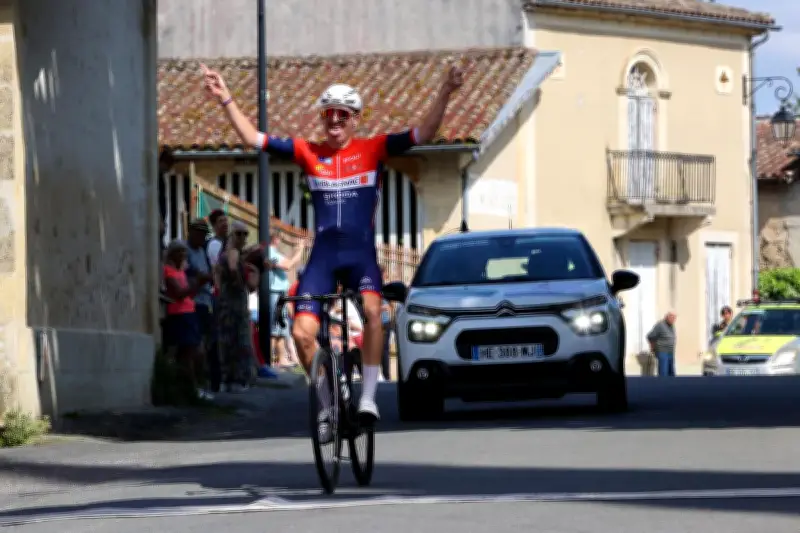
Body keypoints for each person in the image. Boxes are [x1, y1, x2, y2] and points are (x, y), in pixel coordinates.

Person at [202, 61, 463, 428]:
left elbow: (424, 132)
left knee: (374, 313)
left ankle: (369, 398)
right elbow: (253, 139)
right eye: (329, 116)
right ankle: (329, 401)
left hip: (360, 256)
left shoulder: (373, 150)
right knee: (299, 332)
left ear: (354, 119)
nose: (335, 122)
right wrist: (225, 98)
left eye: (342, 116)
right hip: (323, 258)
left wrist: (445, 92)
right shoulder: (308, 152)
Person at [162, 240, 214, 400]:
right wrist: (197, 283)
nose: (184, 255)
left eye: (184, 252)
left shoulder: (181, 272)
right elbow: (179, 293)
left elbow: (189, 293)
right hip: (179, 314)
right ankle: (191, 389)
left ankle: (194, 387)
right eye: (180, 252)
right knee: (187, 354)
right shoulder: (168, 271)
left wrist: (197, 285)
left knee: (196, 352)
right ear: (172, 254)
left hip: (189, 312)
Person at [216, 221, 257, 392]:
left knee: (228, 341)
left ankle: (228, 380)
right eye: (239, 234)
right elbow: (232, 269)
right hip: (233, 303)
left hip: (228, 302)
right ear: (232, 235)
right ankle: (237, 380)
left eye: (245, 234)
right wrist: (238, 282)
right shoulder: (232, 252)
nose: (243, 238)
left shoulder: (227, 253)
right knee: (238, 341)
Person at [185, 218, 218, 396]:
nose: (202, 238)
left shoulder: (202, 251)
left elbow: (207, 274)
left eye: (204, 235)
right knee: (195, 345)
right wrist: (202, 277)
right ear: (192, 232)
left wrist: (209, 277)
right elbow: (189, 273)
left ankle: (202, 384)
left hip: (205, 301)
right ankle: (195, 386)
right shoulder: (186, 250)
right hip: (193, 301)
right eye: (200, 234)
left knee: (205, 344)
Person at [267, 233, 305, 367]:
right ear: (275, 239)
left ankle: (282, 359)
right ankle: (269, 360)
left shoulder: (274, 252)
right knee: (273, 329)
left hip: (280, 294)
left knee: (281, 328)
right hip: (275, 293)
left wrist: (298, 250)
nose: (280, 241)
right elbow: (288, 265)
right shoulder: (269, 252)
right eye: (279, 238)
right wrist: (299, 250)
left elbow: (292, 262)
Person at [647, 311, 677, 377]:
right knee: (663, 372)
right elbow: (650, 336)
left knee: (671, 373)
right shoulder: (660, 325)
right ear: (667, 317)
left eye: (674, 318)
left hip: (670, 352)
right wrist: (652, 346)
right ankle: (662, 386)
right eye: (672, 318)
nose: (673, 320)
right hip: (662, 352)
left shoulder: (671, 326)